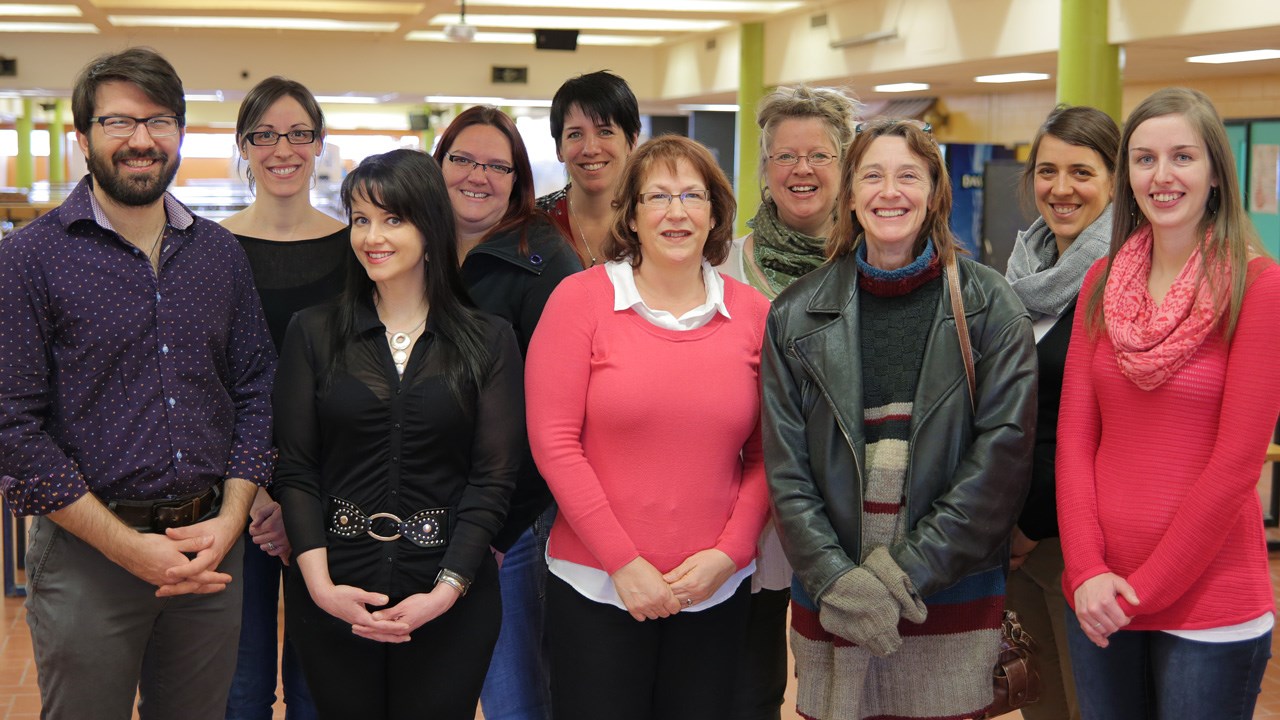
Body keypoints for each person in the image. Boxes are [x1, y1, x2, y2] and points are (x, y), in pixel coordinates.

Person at [0, 48, 276, 719]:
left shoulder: (219, 254)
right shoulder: (29, 258)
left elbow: (256, 388)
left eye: (159, 121)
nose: (141, 140)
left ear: (180, 131)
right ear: (83, 136)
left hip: (209, 549)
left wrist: (231, 520)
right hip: (88, 554)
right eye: (119, 121)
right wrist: (128, 548)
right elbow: (12, 425)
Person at [761, 118, 1037, 720]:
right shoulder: (794, 314)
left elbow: (1001, 462)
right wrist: (836, 581)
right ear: (849, 194)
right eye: (873, 176)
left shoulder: (993, 308)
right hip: (834, 593)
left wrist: (900, 578)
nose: (890, 192)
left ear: (935, 192)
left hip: (949, 594)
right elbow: (786, 470)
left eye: (909, 176)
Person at [525, 134, 771, 720]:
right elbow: (554, 443)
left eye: (692, 196)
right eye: (657, 196)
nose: (675, 212)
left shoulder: (755, 315)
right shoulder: (579, 300)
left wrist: (730, 554)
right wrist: (623, 563)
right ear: (631, 215)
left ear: (715, 214)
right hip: (597, 585)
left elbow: (771, 455)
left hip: (714, 589)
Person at [272, 148, 522, 720]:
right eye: (360, 219)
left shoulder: (489, 339)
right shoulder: (312, 332)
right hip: (334, 590)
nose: (371, 237)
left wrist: (445, 591)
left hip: (449, 595)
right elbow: (297, 470)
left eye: (392, 219)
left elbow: (493, 478)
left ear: (430, 228)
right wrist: (320, 587)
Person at [1057, 87, 1280, 720]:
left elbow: (1237, 465)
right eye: (1144, 159)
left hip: (1210, 605)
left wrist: (1139, 594)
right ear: (1127, 176)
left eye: (1182, 157)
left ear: (1215, 173)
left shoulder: (1259, 287)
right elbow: (1075, 439)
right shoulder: (1101, 281)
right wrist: (1087, 571)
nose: (1162, 176)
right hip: (1099, 596)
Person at [431, 105, 581, 720]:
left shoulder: (545, 260)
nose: (478, 176)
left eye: (497, 166)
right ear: (438, 165)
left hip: (511, 521)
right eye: (463, 160)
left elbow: (556, 416)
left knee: (513, 693)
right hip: (426, 509)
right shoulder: (413, 248)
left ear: (519, 180)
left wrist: (494, 530)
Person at [716, 84, 860, 720]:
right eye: (785, 156)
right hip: (741, 506)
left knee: (846, 686)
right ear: (765, 167)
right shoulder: (720, 266)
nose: (802, 169)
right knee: (748, 685)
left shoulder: (875, 261)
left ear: (846, 165)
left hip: (848, 511)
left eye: (820, 155)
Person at [220, 76, 349, 720]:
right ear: (243, 145)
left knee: (317, 690)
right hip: (232, 502)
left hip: (327, 496)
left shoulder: (356, 251)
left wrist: (300, 501)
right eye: (264, 134)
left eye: (299, 133)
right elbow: (202, 385)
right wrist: (257, 496)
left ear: (319, 143)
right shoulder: (211, 251)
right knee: (239, 691)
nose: (283, 149)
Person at [1003, 104, 1119, 720]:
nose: (1061, 188)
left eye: (1082, 172)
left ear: (1115, 181)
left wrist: (1028, 526)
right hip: (1012, 534)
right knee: (1040, 704)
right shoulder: (1024, 270)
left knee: (1085, 705)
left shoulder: (1124, 279)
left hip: (1076, 540)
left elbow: (1099, 426)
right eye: (1047, 171)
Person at [537, 70, 642, 268]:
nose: (590, 149)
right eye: (575, 134)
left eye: (605, 132)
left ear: (632, 141)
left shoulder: (653, 219)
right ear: (559, 149)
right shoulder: (532, 222)